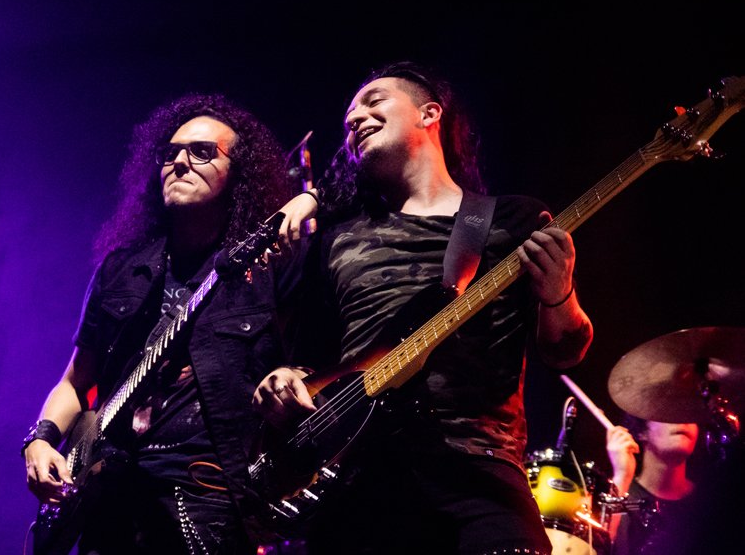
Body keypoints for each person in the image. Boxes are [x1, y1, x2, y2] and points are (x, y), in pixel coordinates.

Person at [254, 61, 594, 554]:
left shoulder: (512, 218)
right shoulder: (337, 239)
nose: (354, 118)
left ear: (429, 113)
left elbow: (565, 351)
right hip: (358, 479)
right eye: (348, 117)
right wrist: (286, 378)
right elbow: (311, 357)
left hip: (480, 474)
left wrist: (560, 293)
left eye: (374, 101)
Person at [22, 92, 298, 555]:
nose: (180, 162)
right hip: (111, 503)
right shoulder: (120, 270)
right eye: (170, 154)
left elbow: (308, 364)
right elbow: (75, 382)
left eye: (202, 152)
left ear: (239, 174)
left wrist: (307, 200)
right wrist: (41, 440)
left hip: (208, 501)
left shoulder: (267, 268)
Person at [605, 416, 701, 555]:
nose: (683, 419)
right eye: (668, 410)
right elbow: (596, 548)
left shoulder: (712, 505)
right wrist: (622, 476)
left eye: (690, 412)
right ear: (641, 431)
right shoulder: (620, 491)